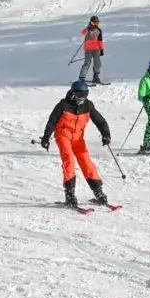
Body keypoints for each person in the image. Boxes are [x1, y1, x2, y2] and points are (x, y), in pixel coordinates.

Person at [39, 79, 113, 208]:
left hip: (78, 138)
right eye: (79, 95)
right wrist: (46, 138)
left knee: (86, 161)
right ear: (73, 94)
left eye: (84, 94)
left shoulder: (88, 105)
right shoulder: (63, 105)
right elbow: (52, 121)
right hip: (63, 135)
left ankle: (98, 192)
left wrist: (106, 134)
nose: (81, 98)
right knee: (69, 159)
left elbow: (100, 121)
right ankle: (70, 194)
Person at [79, 16, 105, 84]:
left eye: (97, 23)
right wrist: (88, 28)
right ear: (90, 23)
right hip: (88, 49)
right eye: (94, 23)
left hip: (96, 49)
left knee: (97, 63)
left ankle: (96, 76)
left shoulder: (99, 30)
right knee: (87, 63)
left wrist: (101, 49)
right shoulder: (88, 29)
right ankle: (81, 78)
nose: (95, 25)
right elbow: (83, 33)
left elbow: (100, 41)